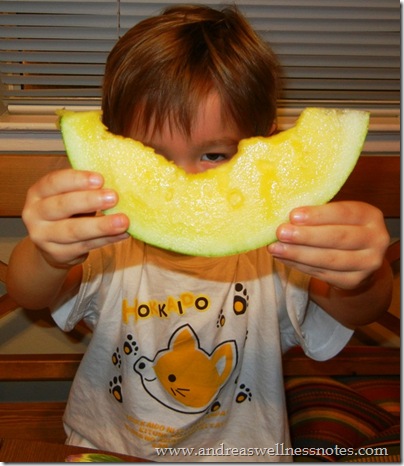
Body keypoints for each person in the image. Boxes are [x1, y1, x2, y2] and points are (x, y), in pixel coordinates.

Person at [6, 5, 392, 462]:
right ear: (116, 149)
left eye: (214, 156)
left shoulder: (279, 246)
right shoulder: (107, 236)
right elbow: (28, 291)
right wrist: (48, 253)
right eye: (154, 157)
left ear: (264, 150)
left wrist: (362, 275)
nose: (185, 182)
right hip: (110, 450)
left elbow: (361, 308)